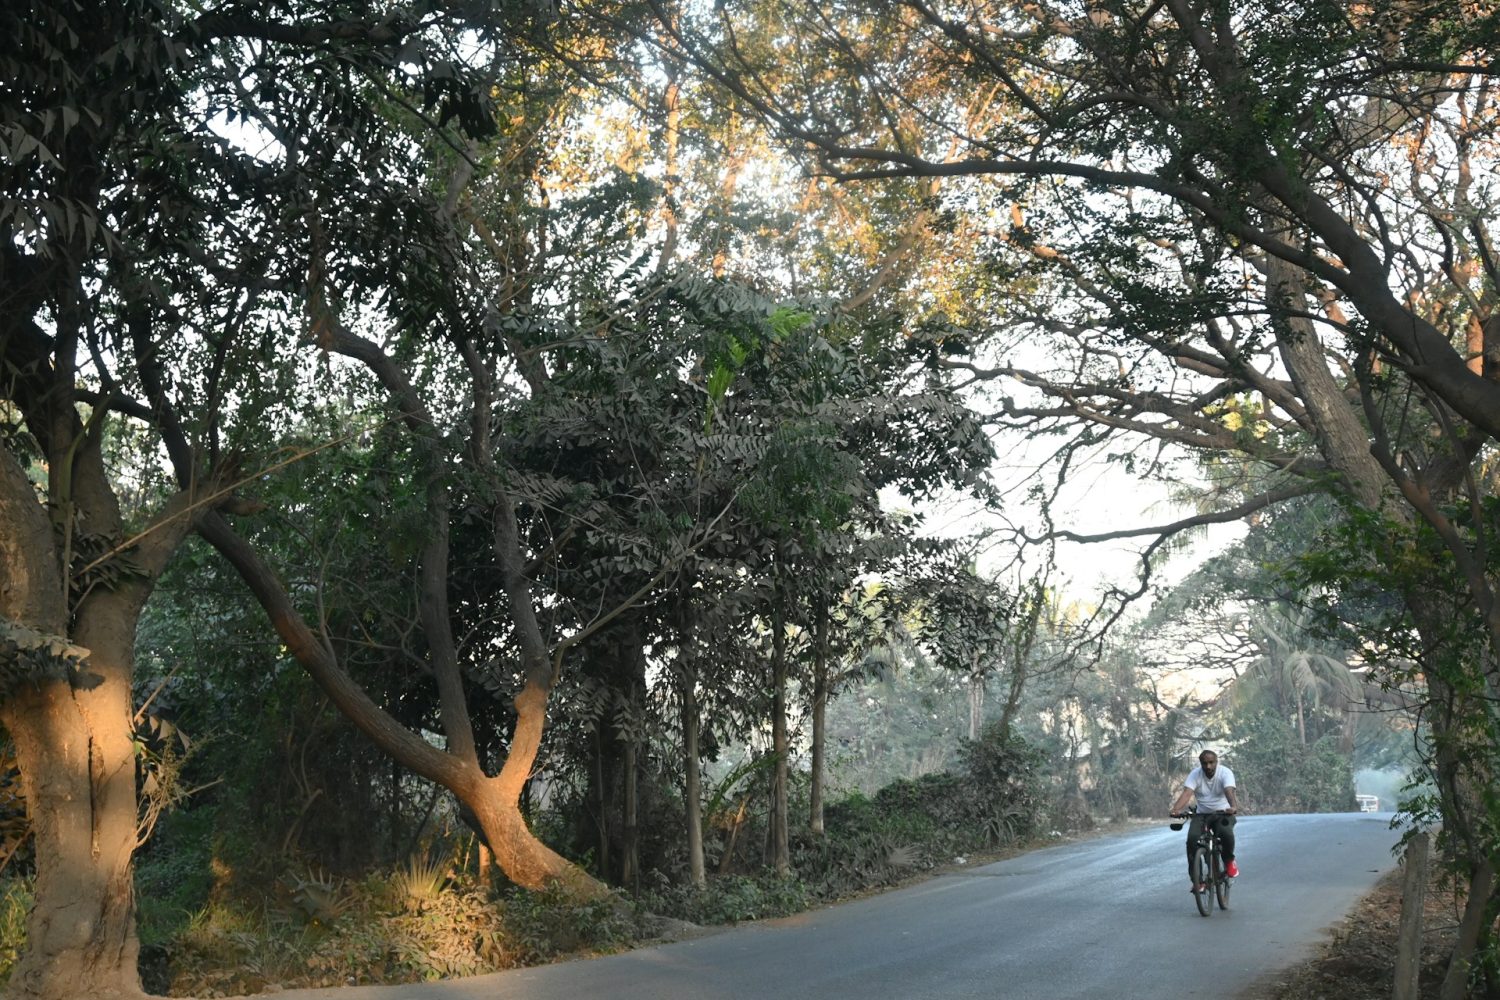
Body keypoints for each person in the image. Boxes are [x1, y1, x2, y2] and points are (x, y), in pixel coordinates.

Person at [1169, 750, 1240, 890]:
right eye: (1204, 763)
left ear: (1216, 762)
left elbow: (1228, 791)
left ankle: (1229, 860)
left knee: (1226, 833)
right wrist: (1175, 809)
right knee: (1192, 840)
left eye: (1211, 762)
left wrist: (1233, 806)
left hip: (1223, 813)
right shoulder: (1195, 774)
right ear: (1200, 763)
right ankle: (1198, 880)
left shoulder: (1225, 773)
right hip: (1202, 815)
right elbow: (1187, 793)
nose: (1208, 766)